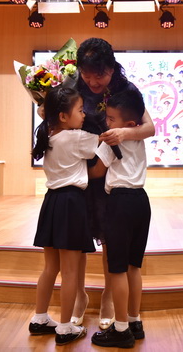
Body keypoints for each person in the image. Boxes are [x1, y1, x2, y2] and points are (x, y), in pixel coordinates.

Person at [71, 38, 156, 330]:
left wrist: (122, 134)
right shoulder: (73, 85)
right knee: (77, 238)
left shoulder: (125, 90)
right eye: (86, 75)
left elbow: (149, 128)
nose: (93, 82)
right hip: (81, 169)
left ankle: (109, 296)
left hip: (110, 172)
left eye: (99, 75)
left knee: (111, 240)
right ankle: (79, 295)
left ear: (111, 68)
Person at [28, 87, 99, 346]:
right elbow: (101, 140)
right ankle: (66, 327)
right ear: (63, 116)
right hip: (71, 203)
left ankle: (40, 318)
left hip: (52, 202)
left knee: (50, 268)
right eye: (80, 110)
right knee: (70, 272)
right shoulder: (76, 137)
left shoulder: (50, 134)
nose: (84, 114)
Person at [89, 88, 152, 348]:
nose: (107, 123)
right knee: (134, 266)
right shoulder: (138, 138)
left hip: (119, 203)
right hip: (141, 201)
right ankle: (135, 322)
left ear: (129, 123)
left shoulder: (111, 141)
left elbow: (96, 172)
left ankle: (121, 329)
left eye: (111, 119)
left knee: (116, 269)